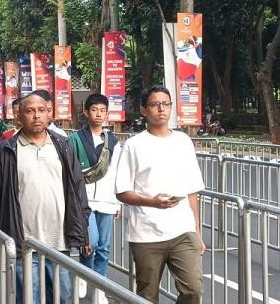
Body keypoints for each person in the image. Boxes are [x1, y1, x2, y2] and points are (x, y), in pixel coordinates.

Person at [0, 93, 90, 304]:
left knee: (64, 297)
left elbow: (78, 191)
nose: (36, 116)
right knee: (29, 298)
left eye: (41, 110)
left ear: (49, 113)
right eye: (30, 111)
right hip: (24, 242)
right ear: (19, 117)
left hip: (60, 241)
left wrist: (83, 229)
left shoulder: (63, 146)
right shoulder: (6, 150)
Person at [115, 85, 205, 304]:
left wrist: (197, 232)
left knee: (193, 289)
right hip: (146, 235)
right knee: (147, 296)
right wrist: (152, 203)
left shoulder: (183, 141)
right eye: (155, 105)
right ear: (144, 110)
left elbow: (192, 190)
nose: (161, 109)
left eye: (166, 104)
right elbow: (122, 191)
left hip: (182, 231)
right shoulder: (134, 145)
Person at [68, 94, 122, 303]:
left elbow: (116, 171)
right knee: (90, 241)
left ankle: (99, 285)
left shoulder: (113, 142)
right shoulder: (74, 140)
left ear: (107, 113)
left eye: (102, 110)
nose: (98, 114)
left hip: (107, 200)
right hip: (85, 201)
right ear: (86, 112)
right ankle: (84, 273)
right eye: (94, 110)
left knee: (104, 247)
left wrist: (118, 202)